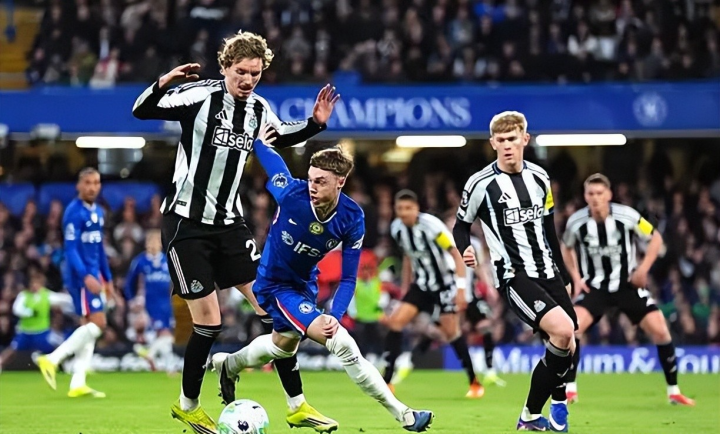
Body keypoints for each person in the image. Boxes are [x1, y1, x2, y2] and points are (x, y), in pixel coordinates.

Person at [132, 31, 339, 433]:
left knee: (276, 311)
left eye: (255, 74)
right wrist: (165, 81)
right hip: (186, 225)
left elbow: (281, 136)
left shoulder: (259, 108)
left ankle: (297, 405)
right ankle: (188, 405)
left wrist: (315, 124)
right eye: (241, 71)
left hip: (230, 224)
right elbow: (142, 110)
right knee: (209, 323)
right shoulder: (200, 96)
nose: (247, 80)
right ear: (225, 66)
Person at [211, 125, 434, 432]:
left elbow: (348, 279)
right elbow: (275, 166)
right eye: (311, 178)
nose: (312, 186)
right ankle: (404, 414)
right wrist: (260, 143)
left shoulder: (352, 218)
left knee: (281, 346)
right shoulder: (292, 194)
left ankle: (229, 364)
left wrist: (335, 314)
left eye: (320, 181)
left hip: (306, 284)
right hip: (275, 285)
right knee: (342, 343)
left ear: (340, 182)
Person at [453, 111, 576, 432]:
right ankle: (552, 405)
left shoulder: (540, 177)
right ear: (492, 143)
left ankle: (533, 414)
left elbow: (549, 229)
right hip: (514, 275)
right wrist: (465, 248)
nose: (507, 145)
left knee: (568, 342)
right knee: (563, 331)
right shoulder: (480, 183)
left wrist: (564, 274)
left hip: (548, 270)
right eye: (501, 140)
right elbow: (461, 226)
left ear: (525, 139)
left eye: (512, 138)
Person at [561, 173, 695, 406]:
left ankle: (674, 391)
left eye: (600, 193)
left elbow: (655, 238)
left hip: (627, 285)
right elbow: (566, 246)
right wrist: (575, 277)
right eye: (591, 194)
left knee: (661, 330)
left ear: (609, 195)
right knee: (571, 329)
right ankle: (570, 390)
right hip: (595, 286)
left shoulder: (628, 215)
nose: (595, 198)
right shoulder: (576, 222)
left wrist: (642, 270)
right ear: (585, 196)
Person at [381, 190, 484, 398]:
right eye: (400, 208)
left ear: (417, 208)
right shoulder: (397, 228)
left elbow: (455, 253)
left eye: (408, 208)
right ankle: (387, 381)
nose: (404, 212)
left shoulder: (432, 226)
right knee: (395, 322)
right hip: (421, 284)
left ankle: (474, 381)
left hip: (445, 284)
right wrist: (405, 286)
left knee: (451, 332)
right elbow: (409, 256)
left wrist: (461, 288)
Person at [36, 167, 118, 398]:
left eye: (96, 183)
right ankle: (52, 359)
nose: (92, 187)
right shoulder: (73, 212)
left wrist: (107, 278)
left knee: (88, 327)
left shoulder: (98, 212)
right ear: (79, 186)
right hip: (79, 278)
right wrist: (86, 276)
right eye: (88, 183)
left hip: (93, 276)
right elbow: (70, 250)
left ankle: (78, 383)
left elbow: (99, 248)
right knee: (98, 324)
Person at [124, 230, 175, 372]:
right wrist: (131, 300)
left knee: (165, 334)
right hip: (149, 304)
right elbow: (128, 283)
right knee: (165, 334)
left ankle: (158, 360)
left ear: (160, 244)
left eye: (155, 241)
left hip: (165, 303)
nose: (152, 245)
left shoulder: (167, 260)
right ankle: (165, 364)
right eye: (150, 241)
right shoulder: (140, 261)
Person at [0, 274, 72, 370]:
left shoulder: (46, 295)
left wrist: (73, 298)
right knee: (12, 349)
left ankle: (64, 365)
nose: (35, 285)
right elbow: (16, 309)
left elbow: (63, 300)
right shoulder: (24, 295)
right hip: (25, 331)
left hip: (41, 332)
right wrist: (29, 312)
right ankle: (1, 363)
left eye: (37, 283)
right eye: (33, 283)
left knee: (55, 347)